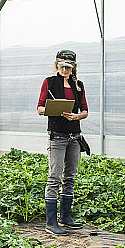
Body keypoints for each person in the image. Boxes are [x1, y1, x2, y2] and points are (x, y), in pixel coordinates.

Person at [37, 49, 88, 235]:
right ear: (56, 65)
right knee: (54, 177)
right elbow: (40, 108)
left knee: (70, 177)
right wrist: (53, 110)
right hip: (57, 136)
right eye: (62, 65)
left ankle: (65, 217)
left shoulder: (79, 85)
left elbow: (85, 111)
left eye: (69, 66)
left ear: (74, 67)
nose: (65, 69)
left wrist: (76, 117)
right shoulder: (49, 82)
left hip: (74, 136)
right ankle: (51, 223)